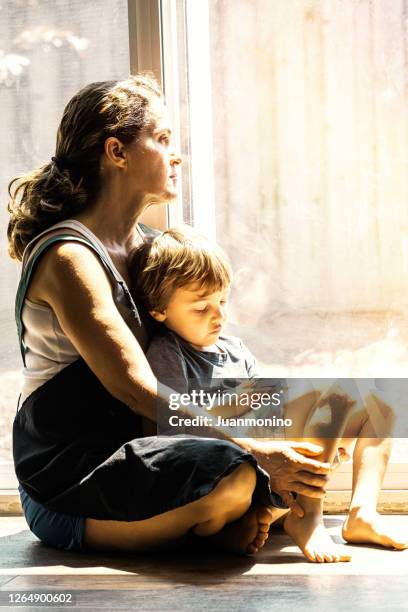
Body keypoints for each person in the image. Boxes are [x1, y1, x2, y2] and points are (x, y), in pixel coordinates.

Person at [7, 74, 335, 559]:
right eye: (161, 139)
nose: (175, 154)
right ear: (116, 152)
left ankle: (239, 517)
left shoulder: (145, 247)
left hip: (146, 450)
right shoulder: (69, 257)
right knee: (236, 471)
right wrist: (257, 450)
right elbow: (134, 388)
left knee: (333, 409)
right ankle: (236, 512)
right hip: (70, 477)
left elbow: (196, 347)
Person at [129, 226, 408, 558]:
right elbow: (177, 426)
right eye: (201, 308)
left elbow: (268, 411)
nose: (218, 315)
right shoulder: (168, 353)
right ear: (159, 311)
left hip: (272, 465)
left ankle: (361, 512)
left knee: (377, 406)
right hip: (238, 471)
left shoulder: (235, 350)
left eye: (222, 300)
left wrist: (322, 436)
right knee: (331, 404)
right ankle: (305, 521)